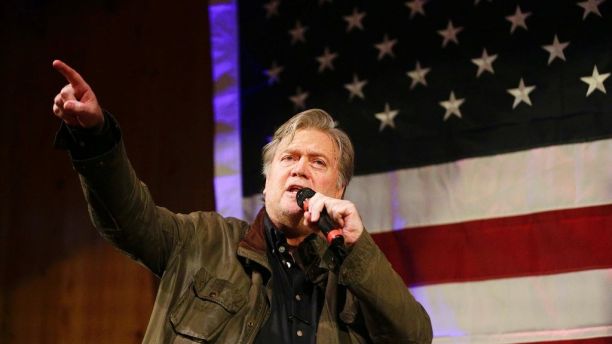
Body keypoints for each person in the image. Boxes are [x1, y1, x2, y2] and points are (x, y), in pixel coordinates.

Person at [51, 59, 433, 343]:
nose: (300, 169)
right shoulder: (201, 240)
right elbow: (127, 218)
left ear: (339, 192)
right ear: (267, 182)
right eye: (289, 158)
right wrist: (96, 138)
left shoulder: (353, 276)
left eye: (318, 162)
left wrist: (356, 247)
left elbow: (414, 337)